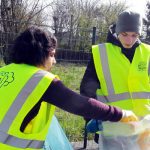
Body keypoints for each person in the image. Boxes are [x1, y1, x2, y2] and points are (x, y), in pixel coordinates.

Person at [0, 26, 137, 150]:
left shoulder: (4, 71)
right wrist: (122, 114)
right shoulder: (39, 80)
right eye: (52, 54)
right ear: (39, 53)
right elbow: (81, 105)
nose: (54, 61)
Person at [80, 10, 150, 150]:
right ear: (117, 31)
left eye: (134, 35)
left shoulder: (147, 53)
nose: (129, 40)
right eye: (124, 34)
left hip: (143, 127)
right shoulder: (101, 53)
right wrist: (90, 117)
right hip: (112, 127)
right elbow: (87, 89)